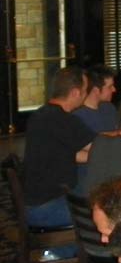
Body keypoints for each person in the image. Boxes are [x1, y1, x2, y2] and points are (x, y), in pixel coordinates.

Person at [22, 66, 92, 229]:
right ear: (75, 93)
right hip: (47, 208)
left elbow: (70, 154)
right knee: (108, 212)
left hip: (34, 202)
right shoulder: (64, 120)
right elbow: (100, 146)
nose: (86, 94)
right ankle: (67, 246)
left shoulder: (41, 114)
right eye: (85, 90)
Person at [73, 65, 118, 134]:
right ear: (96, 91)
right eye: (110, 87)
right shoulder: (78, 116)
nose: (114, 89)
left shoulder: (109, 108)